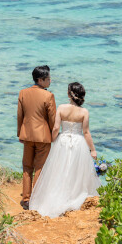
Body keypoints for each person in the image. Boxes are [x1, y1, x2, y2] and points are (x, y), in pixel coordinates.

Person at [28, 81, 100, 218]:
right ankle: (73, 195)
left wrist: (53, 139)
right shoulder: (84, 112)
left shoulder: (61, 108)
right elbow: (86, 133)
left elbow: (55, 128)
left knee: (59, 170)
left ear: (69, 94)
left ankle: (57, 196)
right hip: (78, 143)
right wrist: (93, 150)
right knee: (76, 171)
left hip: (63, 141)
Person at [17, 65, 57, 210]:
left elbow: (20, 115)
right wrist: (55, 134)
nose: (50, 81)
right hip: (43, 137)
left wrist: (19, 133)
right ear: (40, 80)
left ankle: (26, 198)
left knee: (27, 167)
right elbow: (52, 119)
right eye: (48, 79)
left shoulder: (23, 93)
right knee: (40, 167)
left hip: (27, 135)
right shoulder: (48, 96)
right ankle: (37, 198)